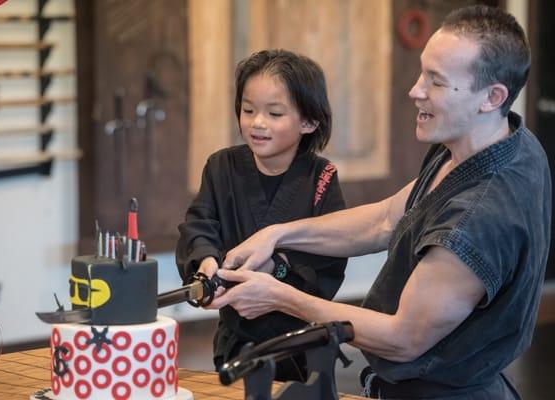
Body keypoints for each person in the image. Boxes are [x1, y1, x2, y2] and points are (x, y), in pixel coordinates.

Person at [211, 5, 552, 399]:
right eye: (423, 72)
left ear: (492, 97)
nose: (415, 90)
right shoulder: (490, 140)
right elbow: (386, 219)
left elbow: (402, 338)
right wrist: (277, 234)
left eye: (436, 82)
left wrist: (277, 296)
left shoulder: (478, 220)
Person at [175, 49, 348, 382]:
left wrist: (277, 265)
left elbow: (330, 252)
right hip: (236, 341)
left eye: (274, 113)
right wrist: (206, 261)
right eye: (248, 109)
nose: (257, 123)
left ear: (309, 121)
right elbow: (199, 224)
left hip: (300, 342)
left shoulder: (321, 176)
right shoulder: (220, 167)